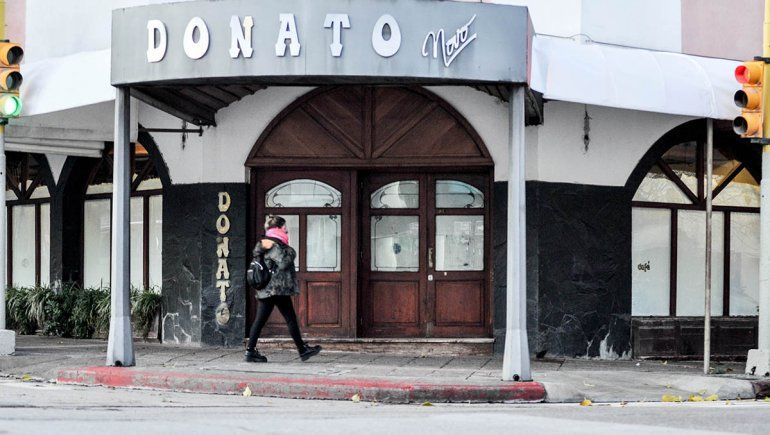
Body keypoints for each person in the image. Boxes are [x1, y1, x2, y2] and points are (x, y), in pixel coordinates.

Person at [245, 215, 322, 363]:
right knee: (289, 319)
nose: (286, 230)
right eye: (284, 227)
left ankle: (250, 351)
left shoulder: (268, 242)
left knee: (262, 320)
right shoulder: (273, 244)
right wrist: (292, 251)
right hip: (276, 289)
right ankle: (302, 350)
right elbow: (283, 263)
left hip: (269, 289)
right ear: (278, 228)